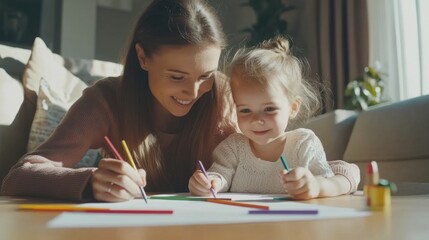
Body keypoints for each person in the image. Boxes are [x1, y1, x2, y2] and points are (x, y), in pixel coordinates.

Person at [1, 0, 358, 202]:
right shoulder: (106, 101)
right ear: (143, 58)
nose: (193, 92)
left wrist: (335, 179)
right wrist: (90, 180)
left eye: (205, 75)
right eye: (176, 77)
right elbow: (19, 177)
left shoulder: (224, 96)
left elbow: (320, 165)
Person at [188, 36, 360, 200]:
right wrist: (209, 182)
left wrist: (315, 186)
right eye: (245, 110)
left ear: (293, 107)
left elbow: (330, 181)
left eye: (269, 109)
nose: (256, 120)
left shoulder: (303, 143)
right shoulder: (233, 147)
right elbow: (220, 174)